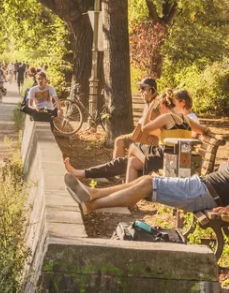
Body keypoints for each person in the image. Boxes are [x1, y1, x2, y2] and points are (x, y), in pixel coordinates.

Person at [65, 158, 229, 217]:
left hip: (204, 193)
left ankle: (92, 203)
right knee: (145, 179)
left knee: (148, 184)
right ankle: (93, 194)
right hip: (201, 187)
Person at [123, 89, 206, 182]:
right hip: (178, 153)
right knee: (132, 161)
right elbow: (202, 130)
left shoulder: (169, 117)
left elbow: (144, 128)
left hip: (169, 154)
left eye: (158, 106)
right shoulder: (184, 118)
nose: (158, 109)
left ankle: (148, 166)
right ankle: (129, 187)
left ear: (162, 104)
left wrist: (149, 108)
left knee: (132, 146)